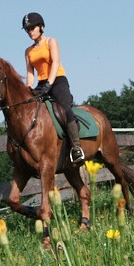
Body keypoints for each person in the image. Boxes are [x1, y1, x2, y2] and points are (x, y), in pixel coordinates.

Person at [22, 12, 85, 164]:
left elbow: (56, 63)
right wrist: (28, 89)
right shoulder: (28, 51)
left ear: (41, 27)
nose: (30, 31)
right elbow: (30, 73)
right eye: (27, 29)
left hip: (57, 80)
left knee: (65, 109)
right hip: (41, 83)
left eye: (33, 28)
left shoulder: (51, 41)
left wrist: (49, 84)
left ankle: (76, 147)